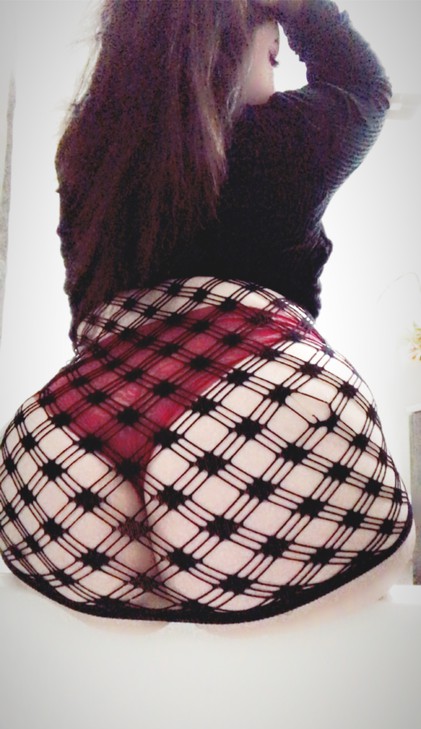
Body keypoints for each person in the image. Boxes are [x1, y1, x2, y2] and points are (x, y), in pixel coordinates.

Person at [0, 0, 414, 624]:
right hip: (253, 416)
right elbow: (365, 86)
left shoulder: (87, 157)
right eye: (271, 49)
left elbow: (81, 310)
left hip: (64, 441)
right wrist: (302, 9)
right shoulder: (278, 137)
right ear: (228, 43)